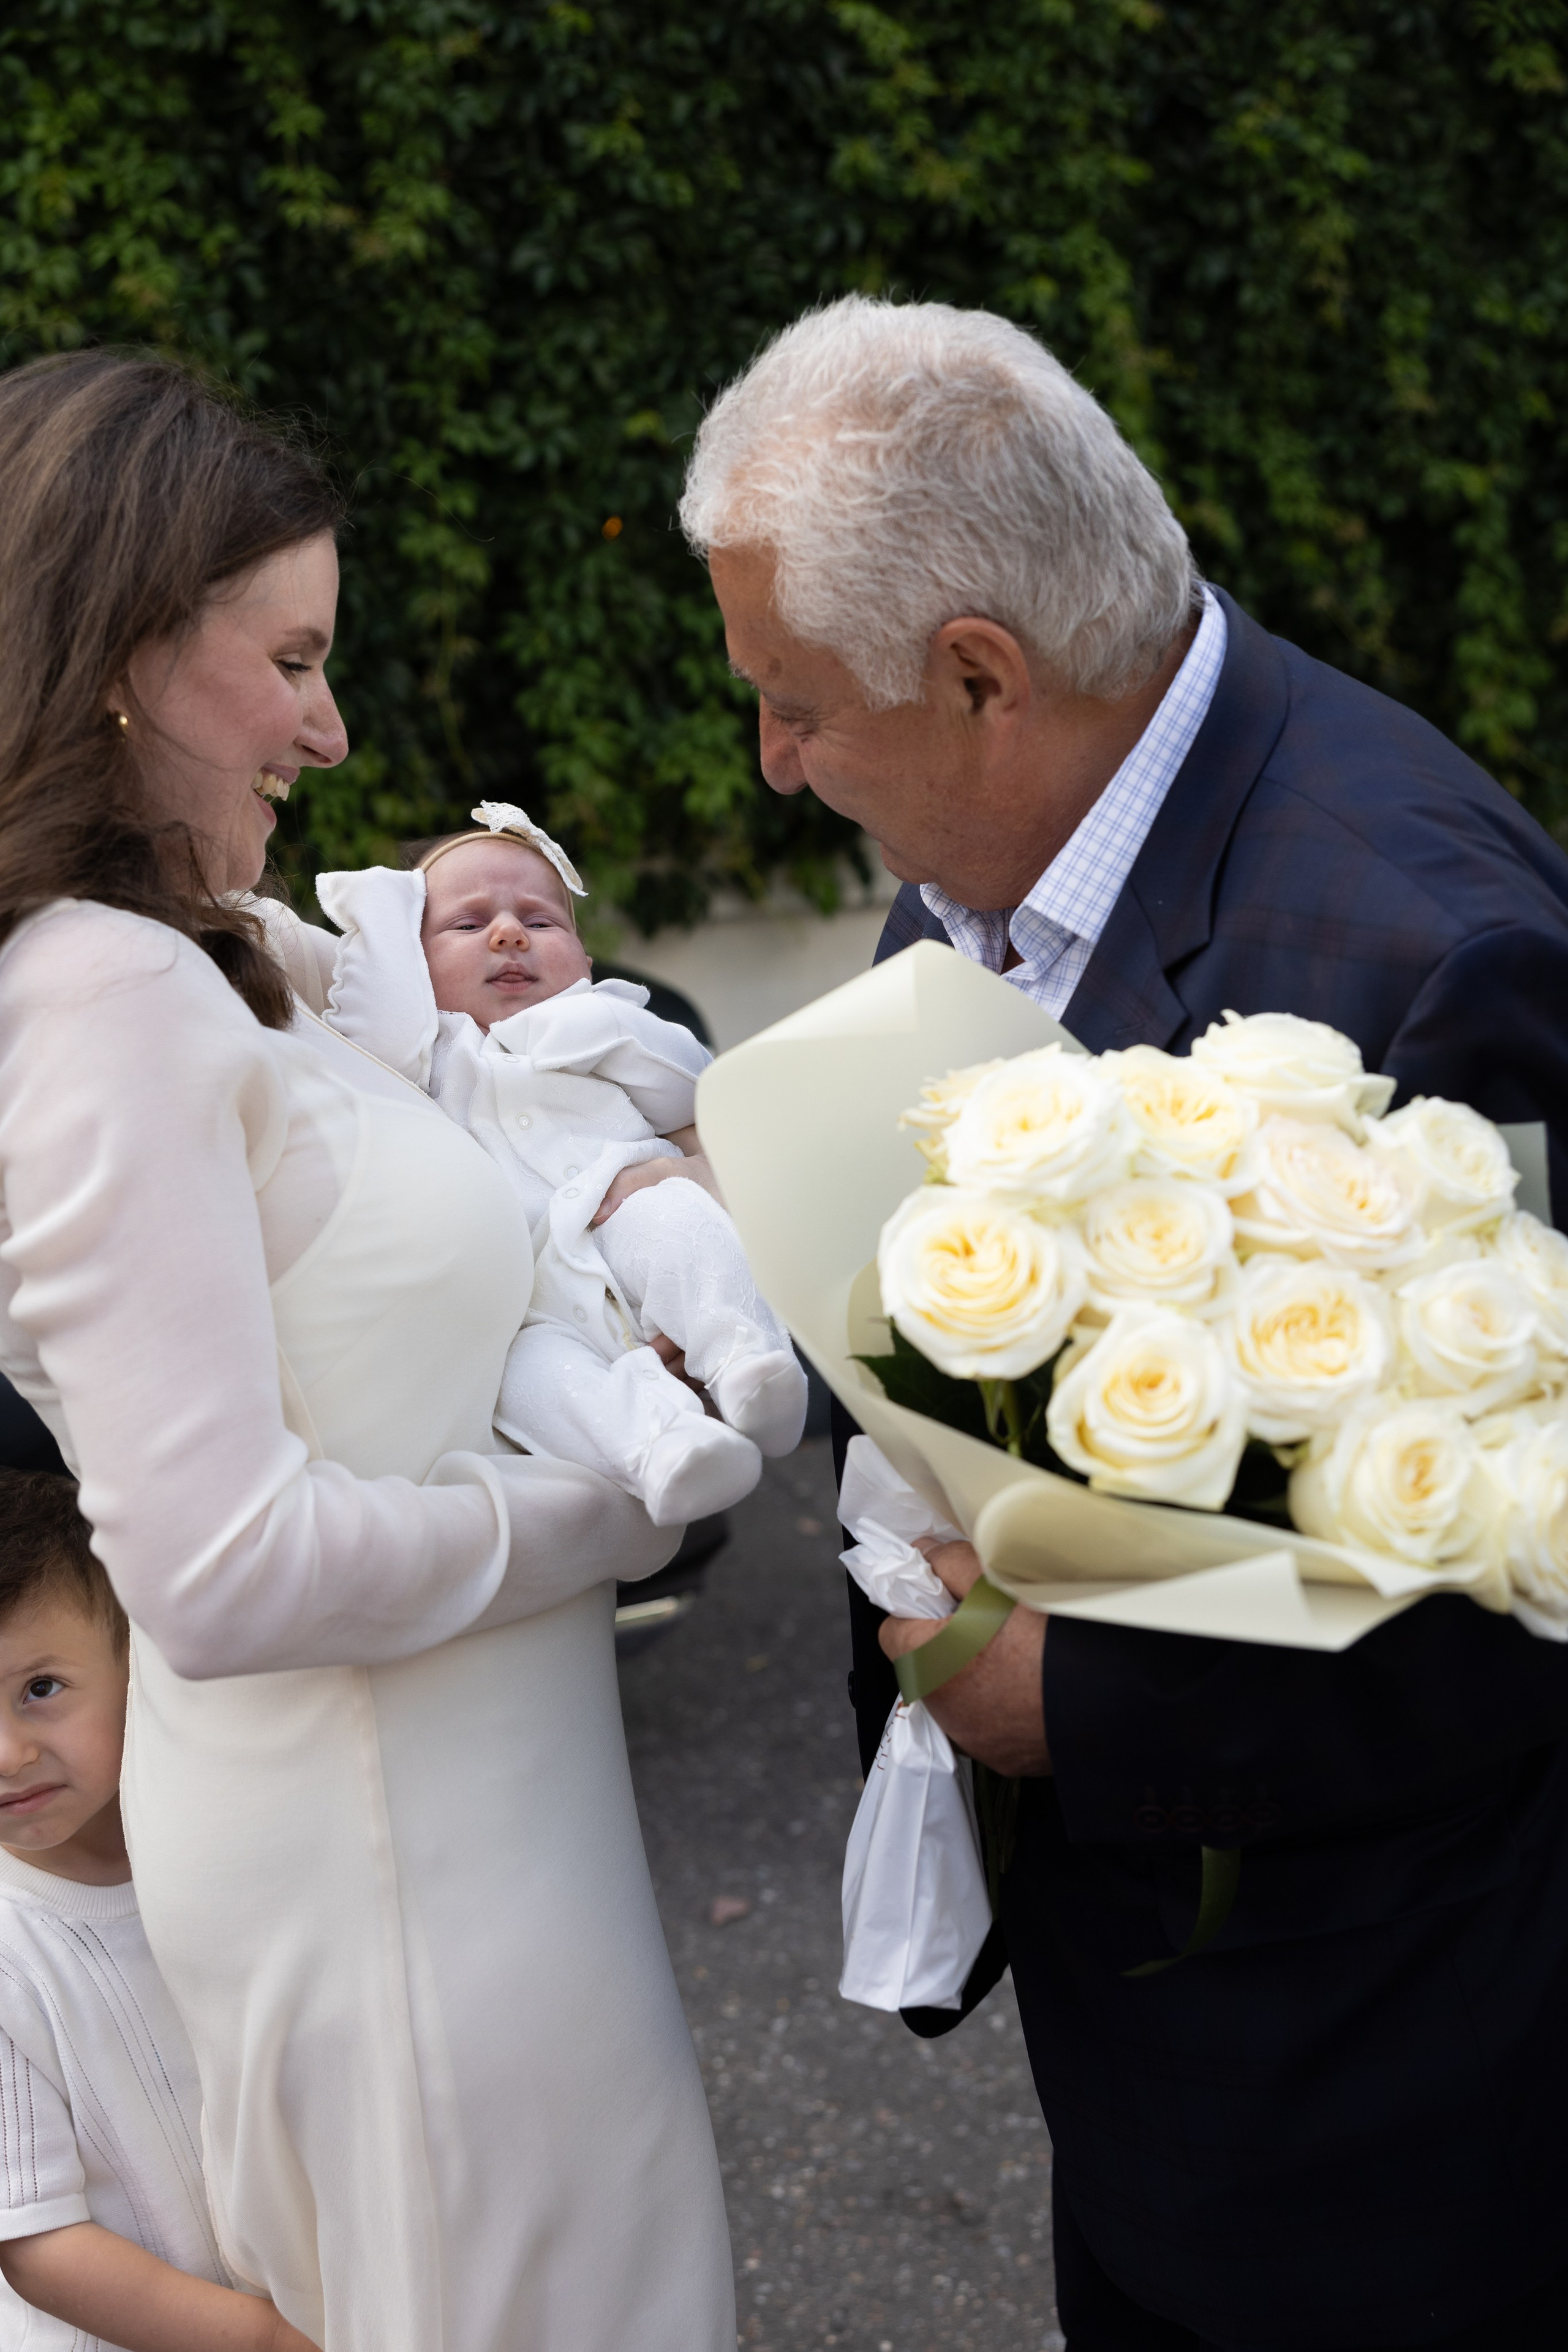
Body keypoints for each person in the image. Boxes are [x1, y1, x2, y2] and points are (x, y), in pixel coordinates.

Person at [679, 295, 1568, 2350]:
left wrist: (1078, 1713)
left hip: (1391, 2094)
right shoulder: (999, 841)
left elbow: (1528, 1585)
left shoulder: (1440, 948)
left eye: (797, 703)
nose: (774, 759)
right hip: (1146, 2036)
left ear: (983, 674)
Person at [0, 351, 734, 2352]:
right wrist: (607, 1514)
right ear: (129, 652)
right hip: (383, 1859)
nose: (333, 726)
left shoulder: (229, 953)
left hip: (495, 1812)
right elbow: (219, 1578)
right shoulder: (98, 1005)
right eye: (295, 658)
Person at [312, 803, 807, 1525]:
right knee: (520, 1379)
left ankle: (747, 1361)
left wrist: (601, 1021)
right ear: (413, 969)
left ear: (585, 960)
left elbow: (700, 1091)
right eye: (466, 924)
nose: (509, 934)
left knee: (672, 1217)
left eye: (541, 923)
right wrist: (385, 907)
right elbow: (368, 1022)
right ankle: (661, 1450)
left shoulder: (603, 1023)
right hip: (530, 1304)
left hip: (625, 1231)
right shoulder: (422, 1060)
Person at [0, 1469, 318, 2352]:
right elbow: (38, 2245)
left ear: (136, 1664)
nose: (9, 1751)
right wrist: (265, 2342)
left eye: (41, 1688)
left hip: (301, 2290)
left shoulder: (229, 1838)